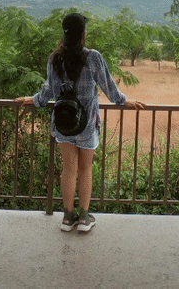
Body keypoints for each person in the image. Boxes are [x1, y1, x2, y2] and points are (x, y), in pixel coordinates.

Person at [15, 13, 144, 233]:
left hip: (64, 122)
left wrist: (34, 100)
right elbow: (109, 88)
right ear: (83, 34)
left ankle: (67, 217)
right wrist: (125, 101)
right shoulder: (93, 57)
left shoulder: (55, 58)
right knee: (85, 169)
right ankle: (84, 218)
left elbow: (48, 91)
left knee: (68, 169)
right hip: (86, 124)